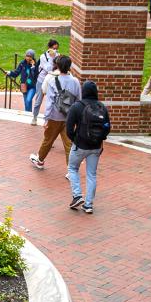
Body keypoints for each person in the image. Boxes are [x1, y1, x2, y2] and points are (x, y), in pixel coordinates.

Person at [63, 79, 111, 214]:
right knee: (91, 174)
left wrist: (75, 139)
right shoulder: (102, 107)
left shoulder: (77, 106)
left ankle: (77, 195)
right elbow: (107, 127)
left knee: (72, 168)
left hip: (80, 145)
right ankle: (88, 205)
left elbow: (68, 129)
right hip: (96, 147)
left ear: (83, 91)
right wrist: (101, 139)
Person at [30, 54, 80, 170]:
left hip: (54, 116)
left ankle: (40, 160)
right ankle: (71, 170)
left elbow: (50, 103)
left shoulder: (52, 80)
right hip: (69, 117)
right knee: (69, 144)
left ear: (57, 65)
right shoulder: (75, 81)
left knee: (48, 140)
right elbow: (79, 100)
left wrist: (46, 119)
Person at [30, 39, 62, 126]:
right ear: (49, 48)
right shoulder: (43, 56)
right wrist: (52, 58)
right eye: (53, 48)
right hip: (42, 80)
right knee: (38, 100)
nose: (54, 51)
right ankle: (34, 117)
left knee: (52, 100)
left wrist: (55, 57)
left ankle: (49, 119)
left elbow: (59, 67)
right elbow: (49, 69)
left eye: (56, 49)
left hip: (53, 81)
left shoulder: (58, 56)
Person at [9, 49, 41, 116]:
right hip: (24, 86)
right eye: (27, 56)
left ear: (32, 57)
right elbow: (16, 72)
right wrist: (10, 73)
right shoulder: (22, 63)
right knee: (26, 102)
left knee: (28, 100)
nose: (28, 58)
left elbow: (35, 75)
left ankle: (29, 115)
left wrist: (33, 67)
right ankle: (28, 115)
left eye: (30, 56)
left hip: (32, 86)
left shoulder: (36, 65)